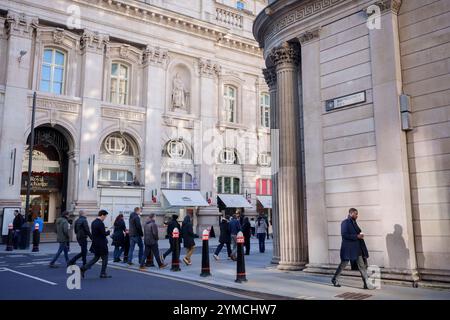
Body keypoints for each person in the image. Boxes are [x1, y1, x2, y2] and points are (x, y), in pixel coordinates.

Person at [331, 208, 374, 290]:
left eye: (357, 214)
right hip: (348, 249)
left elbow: (355, 234)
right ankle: (334, 279)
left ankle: (366, 284)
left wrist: (360, 235)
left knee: (362, 266)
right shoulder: (345, 222)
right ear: (350, 213)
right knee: (343, 264)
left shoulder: (354, 223)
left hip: (357, 249)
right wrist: (356, 236)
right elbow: (344, 235)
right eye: (355, 214)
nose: (357, 215)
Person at [81, 210, 111, 279]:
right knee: (105, 258)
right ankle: (103, 273)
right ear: (102, 215)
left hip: (95, 243)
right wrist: (108, 232)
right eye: (105, 216)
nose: (105, 218)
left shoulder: (94, 222)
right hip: (101, 244)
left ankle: (83, 268)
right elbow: (103, 234)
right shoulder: (100, 223)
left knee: (96, 258)